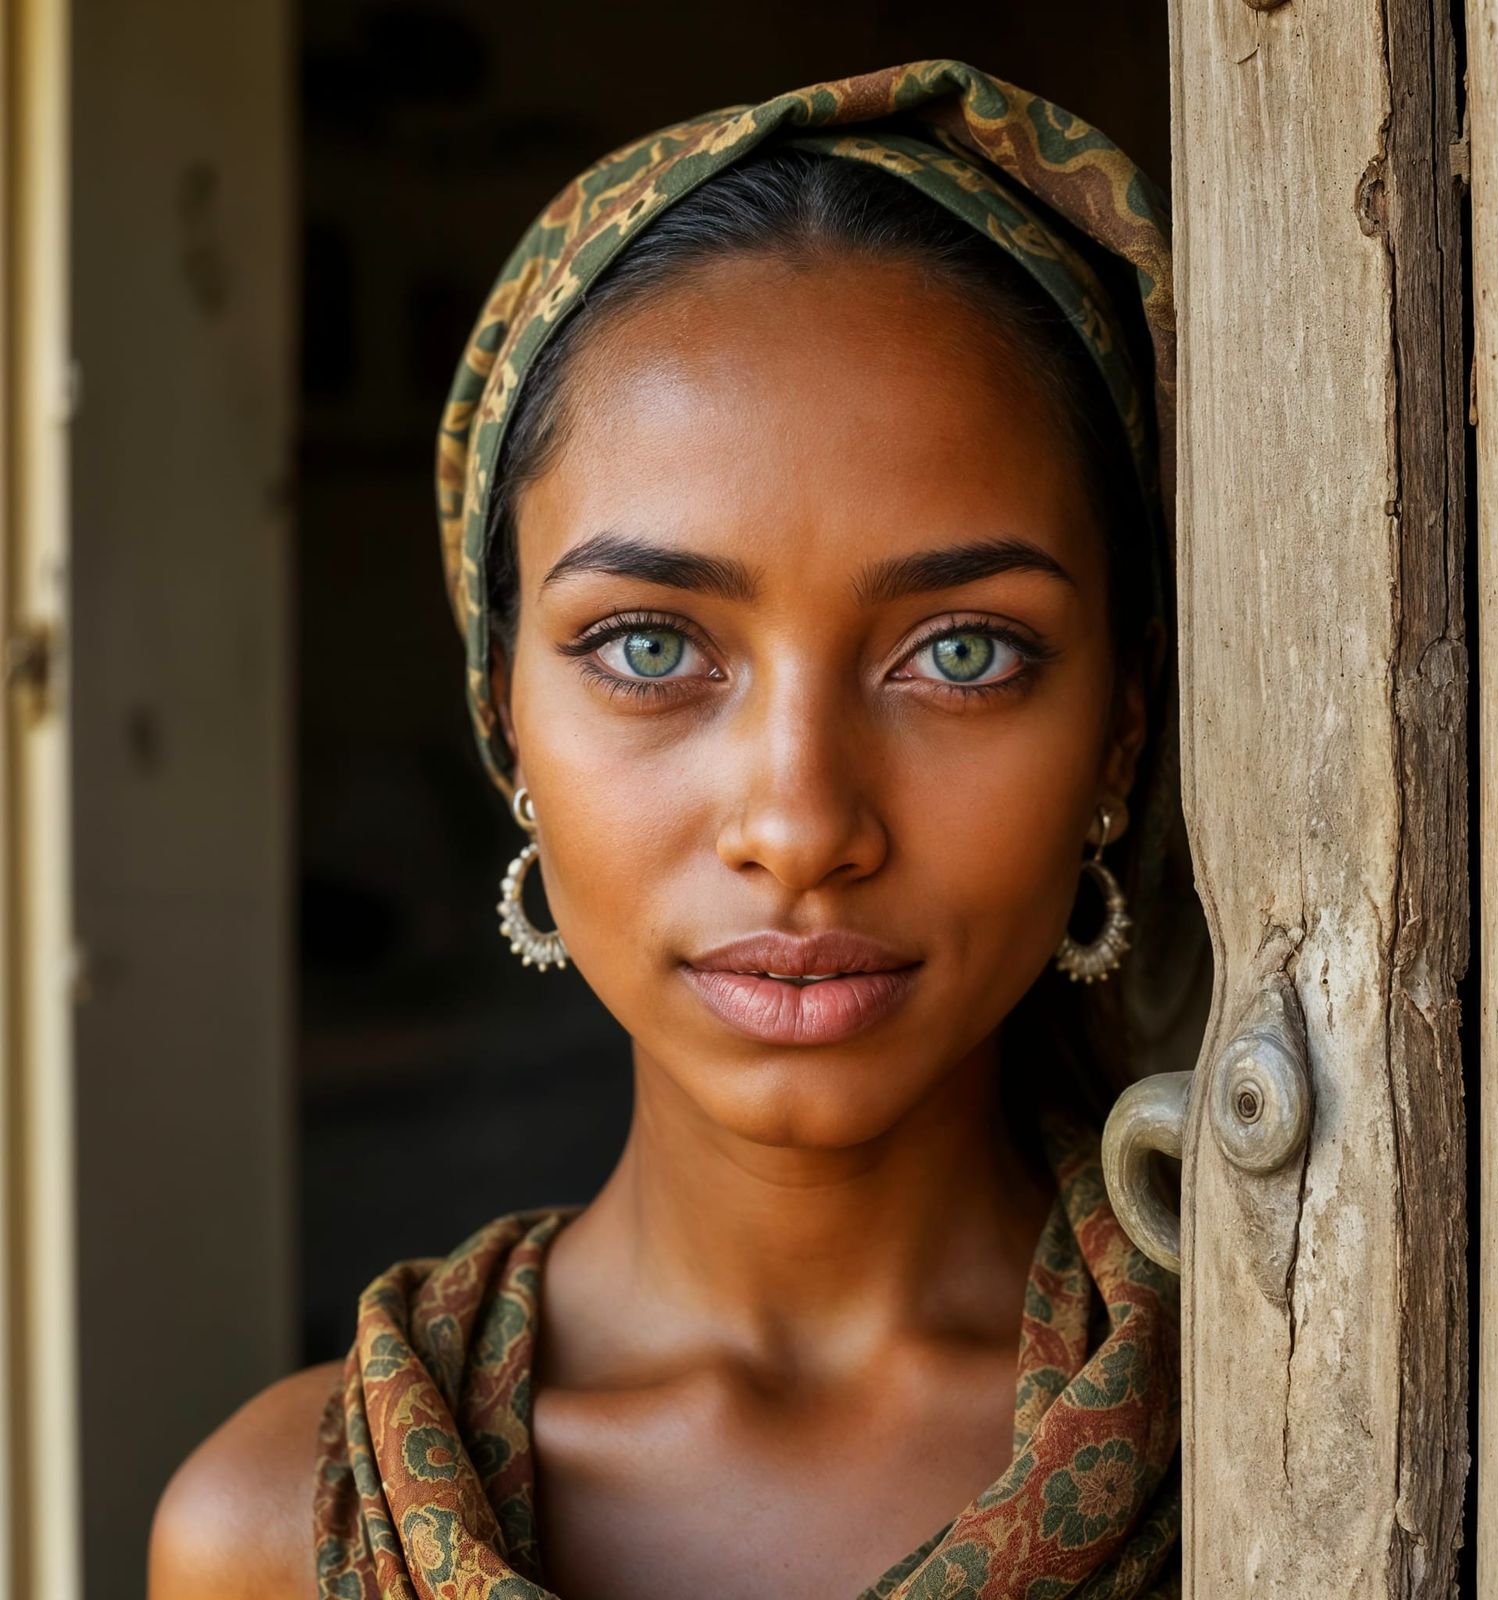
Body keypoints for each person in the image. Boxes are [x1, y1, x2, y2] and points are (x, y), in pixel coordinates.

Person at [150, 60, 1199, 1600]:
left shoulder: (1320, 1441)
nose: (799, 823)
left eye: (963, 650)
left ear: (1121, 721)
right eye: (651, 647)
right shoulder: (279, 1535)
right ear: (504, 712)